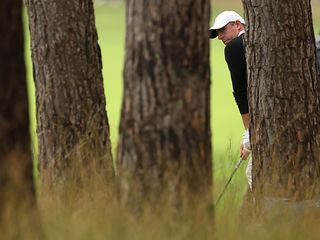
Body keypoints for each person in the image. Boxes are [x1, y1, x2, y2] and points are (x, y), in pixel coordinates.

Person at [209, 11, 252, 190]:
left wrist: (248, 132)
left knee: (252, 173)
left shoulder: (234, 47)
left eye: (222, 30)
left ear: (238, 24)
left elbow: (240, 91)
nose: (219, 37)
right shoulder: (250, 42)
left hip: (261, 122)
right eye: (217, 33)